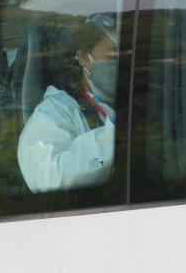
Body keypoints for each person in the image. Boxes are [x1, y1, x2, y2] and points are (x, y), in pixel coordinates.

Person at [17, 13, 118, 192]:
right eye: (111, 57)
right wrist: (116, 137)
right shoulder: (54, 112)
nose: (119, 64)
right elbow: (51, 179)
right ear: (83, 57)